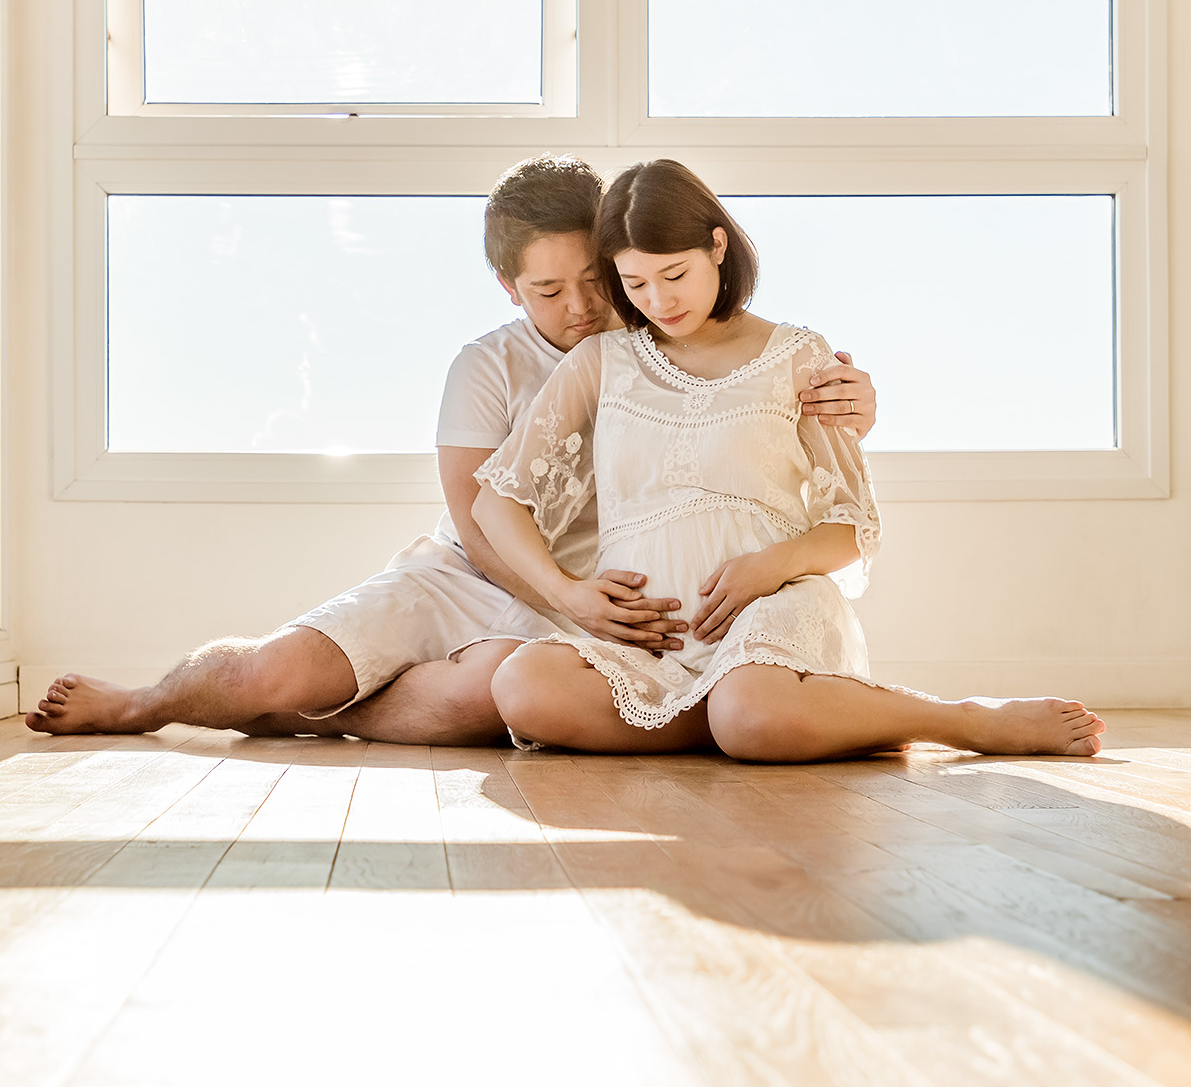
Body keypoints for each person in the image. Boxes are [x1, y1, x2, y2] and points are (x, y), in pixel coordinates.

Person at [25, 157, 878, 746]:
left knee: (499, 696)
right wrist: (565, 598)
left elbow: (759, 407)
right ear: (510, 288)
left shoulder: (664, 328)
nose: (585, 307)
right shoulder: (486, 366)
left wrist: (855, 401)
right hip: (477, 574)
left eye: (597, 279)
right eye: (548, 291)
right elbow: (479, 520)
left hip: (601, 606)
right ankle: (152, 702)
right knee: (268, 675)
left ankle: (311, 714)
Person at [474, 159, 1106, 762]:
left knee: (752, 705)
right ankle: (742, 721)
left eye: (675, 276)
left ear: (717, 247)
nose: (659, 302)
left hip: (768, 618)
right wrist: (569, 594)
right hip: (649, 642)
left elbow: (851, 527)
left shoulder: (798, 356)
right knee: (524, 687)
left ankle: (963, 720)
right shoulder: (600, 361)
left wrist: (768, 568)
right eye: (635, 284)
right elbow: (495, 498)